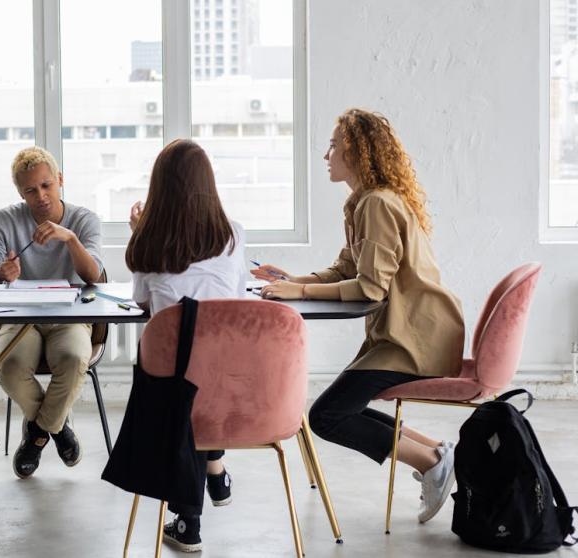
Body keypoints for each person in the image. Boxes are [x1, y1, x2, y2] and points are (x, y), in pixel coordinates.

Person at [255, 108, 466, 524]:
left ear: (357, 151)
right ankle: (437, 452)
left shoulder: (377, 204)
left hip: (418, 341)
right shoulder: (364, 202)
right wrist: (293, 278)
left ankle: (429, 463)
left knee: (326, 416)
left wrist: (298, 291)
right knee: (335, 408)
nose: (326, 154)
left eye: (335, 145)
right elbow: (346, 270)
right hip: (404, 336)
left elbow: (370, 288)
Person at [127, 139, 246, 553]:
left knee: (183, 387)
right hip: (227, 375)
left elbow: (143, 302)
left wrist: (138, 233)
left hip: (167, 383)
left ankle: (189, 522)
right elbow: (234, 299)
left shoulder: (148, 242)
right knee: (202, 378)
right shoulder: (232, 235)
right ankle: (215, 468)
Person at [0, 146, 103, 479]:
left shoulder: (83, 220)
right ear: (20, 192)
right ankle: (58, 426)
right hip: (19, 316)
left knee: (73, 359)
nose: (40, 196)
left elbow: (93, 276)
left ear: (60, 180)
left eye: (46, 185)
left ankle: (38, 434)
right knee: (9, 367)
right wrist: (0, 273)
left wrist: (70, 239)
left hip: (69, 316)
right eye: (30, 190)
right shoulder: (7, 220)